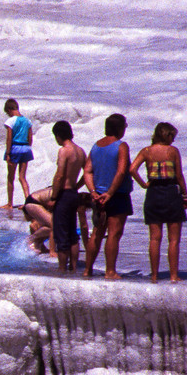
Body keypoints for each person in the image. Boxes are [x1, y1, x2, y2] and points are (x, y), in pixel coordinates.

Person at [130, 121, 187, 283]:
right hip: (170, 192)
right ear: (167, 135)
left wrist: (143, 184)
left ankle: (155, 275)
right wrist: (185, 194)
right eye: (172, 136)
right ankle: (173, 275)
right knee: (174, 239)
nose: (173, 140)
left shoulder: (147, 151)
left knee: (155, 238)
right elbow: (179, 176)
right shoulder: (173, 151)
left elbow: (132, 169)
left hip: (153, 194)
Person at [85, 112, 134, 279]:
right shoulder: (121, 146)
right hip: (117, 195)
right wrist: (110, 193)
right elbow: (121, 172)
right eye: (125, 126)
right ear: (119, 128)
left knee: (97, 232)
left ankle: (87, 270)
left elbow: (87, 171)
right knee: (114, 234)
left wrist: (93, 192)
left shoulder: (96, 146)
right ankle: (110, 271)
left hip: (98, 196)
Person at [49, 120, 90, 272]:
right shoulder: (80, 151)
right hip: (73, 193)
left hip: (64, 195)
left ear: (59, 135)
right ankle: (73, 267)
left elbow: (59, 176)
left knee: (61, 234)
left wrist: (53, 197)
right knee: (73, 234)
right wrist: (77, 186)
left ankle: (61, 269)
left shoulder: (64, 150)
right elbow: (87, 173)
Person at [1, 99, 33, 210]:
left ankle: (10, 203)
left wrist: (8, 152)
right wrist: (28, 147)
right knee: (22, 177)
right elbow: (30, 137)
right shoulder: (27, 121)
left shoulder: (11, 121)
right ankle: (28, 201)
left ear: (9, 109)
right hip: (26, 148)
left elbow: (9, 138)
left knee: (10, 177)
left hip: (15, 148)